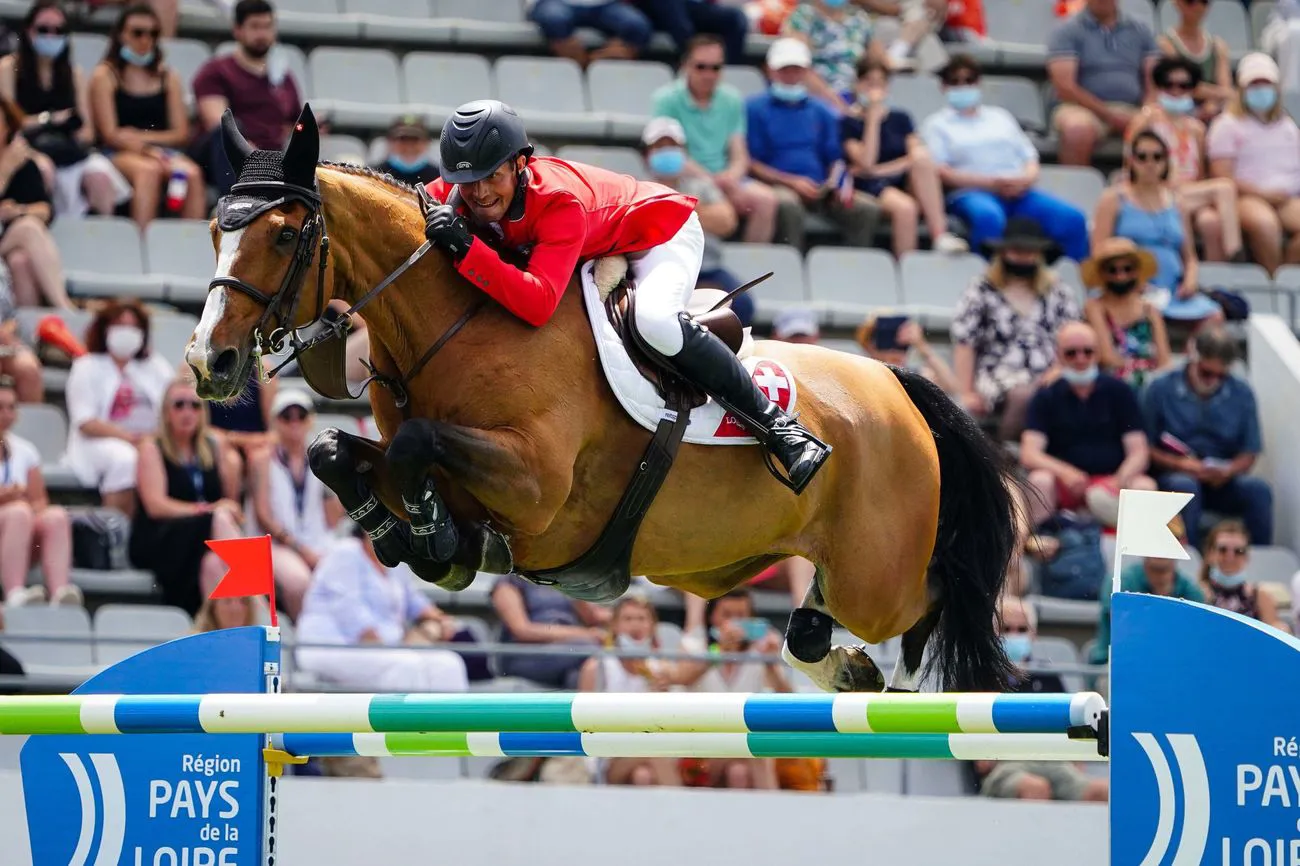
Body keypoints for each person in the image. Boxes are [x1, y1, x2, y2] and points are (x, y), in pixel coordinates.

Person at [421, 99, 831, 495]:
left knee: (654, 322)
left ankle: (780, 429)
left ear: (520, 164)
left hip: (660, 234)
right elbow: (415, 198)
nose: (479, 192)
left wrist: (468, 249)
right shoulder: (460, 190)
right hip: (600, 244)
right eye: (467, 182)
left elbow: (538, 303)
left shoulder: (559, 202)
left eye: (492, 176)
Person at [921, 54, 1089, 262]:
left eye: (969, 80)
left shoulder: (1000, 117)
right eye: (955, 81)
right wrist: (992, 183)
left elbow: (1029, 157)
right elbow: (941, 171)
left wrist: (1025, 179)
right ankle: (985, 287)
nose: (963, 86)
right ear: (943, 87)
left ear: (978, 83)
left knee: (1072, 220)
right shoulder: (936, 124)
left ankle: (1077, 285)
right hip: (970, 193)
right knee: (989, 218)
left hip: (1018, 192)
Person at [295, 523, 471, 693]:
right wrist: (395, 647)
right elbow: (352, 616)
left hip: (385, 649)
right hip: (332, 647)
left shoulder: (393, 559)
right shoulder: (344, 552)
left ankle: (449, 724)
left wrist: (441, 620)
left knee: (449, 664)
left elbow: (415, 602)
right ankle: (405, 724)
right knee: (407, 666)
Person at [951, 217, 1081, 442]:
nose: (1023, 257)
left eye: (1029, 251)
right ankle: (1004, 454)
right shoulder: (981, 290)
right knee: (1024, 395)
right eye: (1017, 251)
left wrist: (1059, 368)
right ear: (1003, 253)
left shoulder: (1058, 291)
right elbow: (966, 342)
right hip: (998, 371)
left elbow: (1074, 336)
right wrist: (967, 391)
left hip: (1052, 369)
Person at [746, 38, 882, 251]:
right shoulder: (754, 109)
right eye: (785, 70)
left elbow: (834, 157)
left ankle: (851, 269)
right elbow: (751, 162)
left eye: (796, 70)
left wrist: (834, 183)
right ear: (771, 71)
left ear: (806, 72)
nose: (791, 76)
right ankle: (791, 267)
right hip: (776, 185)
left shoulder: (821, 110)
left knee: (866, 209)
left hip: (820, 188)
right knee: (787, 205)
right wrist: (791, 182)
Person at [0, 0, 132, 219]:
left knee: (100, 177)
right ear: (28, 30)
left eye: (58, 31)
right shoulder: (7, 68)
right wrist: (50, 120)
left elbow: (88, 131)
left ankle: (99, 235)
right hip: (24, 147)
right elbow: (10, 122)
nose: (51, 36)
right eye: (43, 30)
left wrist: (69, 132)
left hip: (67, 149)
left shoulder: (74, 74)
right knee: (43, 170)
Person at [1143, 327, 1272, 549]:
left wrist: (1228, 470)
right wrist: (1181, 464)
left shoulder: (1241, 393)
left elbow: (1250, 451)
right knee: (1185, 486)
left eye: (1221, 375)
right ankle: (1188, 563)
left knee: (1258, 491)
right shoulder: (1160, 389)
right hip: (1174, 473)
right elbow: (1145, 445)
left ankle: (1256, 564)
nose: (1213, 380)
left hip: (1221, 479)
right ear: (1193, 358)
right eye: (1206, 372)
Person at [1020, 322, 1155, 529]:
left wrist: (1118, 480)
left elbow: (1138, 452)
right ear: (1059, 355)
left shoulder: (1120, 391)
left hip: (1112, 481)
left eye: (1087, 351)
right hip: (1065, 484)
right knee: (1040, 480)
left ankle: (1141, 556)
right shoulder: (1046, 395)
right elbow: (1029, 453)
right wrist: (1065, 472)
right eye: (1071, 353)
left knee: (1144, 486)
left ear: (1098, 354)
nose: (1080, 359)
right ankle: (1044, 546)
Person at [650, 34, 782, 245]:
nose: (709, 74)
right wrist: (716, 182)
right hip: (685, 177)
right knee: (715, 211)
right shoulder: (666, 99)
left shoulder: (731, 98)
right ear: (685, 66)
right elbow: (668, 151)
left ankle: (750, 268)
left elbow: (739, 151)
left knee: (767, 201)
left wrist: (731, 178)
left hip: (722, 177)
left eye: (716, 68)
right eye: (701, 67)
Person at [974, 595, 1108, 800]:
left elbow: (1071, 721)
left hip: (1054, 761)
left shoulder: (1047, 676)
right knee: (1035, 789)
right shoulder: (982, 677)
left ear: (1033, 635)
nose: (1014, 636)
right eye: (1006, 629)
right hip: (1008, 765)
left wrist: (1077, 755)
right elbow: (976, 747)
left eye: (1021, 630)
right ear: (994, 633)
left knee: (1103, 792)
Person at [130, 376, 244, 616]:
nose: (187, 412)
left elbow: (231, 503)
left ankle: (218, 631)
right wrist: (207, 511)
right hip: (161, 538)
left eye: (194, 405)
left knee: (213, 564)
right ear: (166, 412)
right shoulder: (152, 447)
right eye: (179, 405)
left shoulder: (211, 449)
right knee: (218, 518)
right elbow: (155, 506)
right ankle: (256, 599)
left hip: (200, 542)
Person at [88, 3, 206, 227]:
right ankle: (142, 248)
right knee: (148, 172)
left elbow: (181, 133)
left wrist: (141, 139)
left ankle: (192, 248)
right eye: (137, 33)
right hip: (117, 152)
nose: (145, 40)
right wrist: (143, 148)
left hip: (161, 151)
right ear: (121, 35)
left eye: (153, 34)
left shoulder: (167, 76)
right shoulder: (105, 75)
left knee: (192, 174)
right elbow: (110, 134)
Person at [1091, 131, 1222, 325]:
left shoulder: (1177, 202)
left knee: (1214, 315)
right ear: (1131, 161)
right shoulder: (1113, 199)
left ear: (1166, 162)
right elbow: (1098, 251)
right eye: (1142, 157)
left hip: (1172, 290)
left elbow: (1189, 256)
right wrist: (1131, 282)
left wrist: (1190, 280)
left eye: (1157, 157)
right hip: (1126, 287)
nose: (1150, 163)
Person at [840, 55, 966, 257]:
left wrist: (878, 171)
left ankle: (940, 235)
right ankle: (906, 268)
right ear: (858, 84)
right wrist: (872, 120)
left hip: (899, 177)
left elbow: (914, 156)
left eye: (880, 84)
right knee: (906, 208)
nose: (874, 90)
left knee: (923, 159)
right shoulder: (848, 123)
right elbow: (865, 161)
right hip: (869, 186)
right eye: (869, 83)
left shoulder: (901, 118)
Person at [1124, 57, 1242, 265]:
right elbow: (1130, 164)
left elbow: (1201, 173)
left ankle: (1219, 277)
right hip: (1157, 188)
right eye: (1169, 85)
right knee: (1224, 187)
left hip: (1191, 191)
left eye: (1184, 85)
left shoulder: (1196, 128)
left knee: (1211, 222)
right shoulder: (1144, 120)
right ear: (1159, 87)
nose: (1176, 91)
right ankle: (1234, 252)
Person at [63, 298, 175, 516]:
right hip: (99, 442)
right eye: (120, 325)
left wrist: (152, 439)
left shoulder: (155, 366)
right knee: (125, 459)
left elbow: (172, 404)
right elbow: (85, 421)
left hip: (151, 440)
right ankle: (117, 533)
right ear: (105, 329)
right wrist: (129, 437)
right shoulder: (86, 366)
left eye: (134, 327)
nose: (127, 332)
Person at [192, 0, 303, 197]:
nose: (262, 34)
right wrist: (250, 152)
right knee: (228, 132)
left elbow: (291, 123)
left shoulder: (283, 78)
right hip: (226, 158)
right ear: (237, 30)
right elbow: (218, 123)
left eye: (267, 26)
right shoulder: (217, 71)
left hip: (270, 158)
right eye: (254, 27)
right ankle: (237, 201)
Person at [248, 388, 342, 620]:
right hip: (274, 544)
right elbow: (263, 516)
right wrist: (301, 550)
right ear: (274, 422)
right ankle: (306, 640)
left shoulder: (321, 459)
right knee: (300, 583)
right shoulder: (261, 459)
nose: (294, 422)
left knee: (345, 575)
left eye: (300, 415)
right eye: (286, 416)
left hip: (317, 540)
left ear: (310, 420)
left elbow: (333, 519)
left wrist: (332, 478)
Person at [1207, 53, 1300, 276]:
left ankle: (1286, 277)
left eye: (1266, 84)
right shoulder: (1226, 125)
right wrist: (1262, 194)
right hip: (1245, 196)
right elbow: (1222, 176)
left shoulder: (1287, 125)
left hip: (1287, 197)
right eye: (1254, 84)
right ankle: (1271, 282)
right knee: (1265, 225)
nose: (1261, 89)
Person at [576, 593, 682, 787]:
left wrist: (663, 699)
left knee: (643, 776)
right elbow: (584, 724)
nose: (635, 625)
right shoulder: (596, 667)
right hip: (608, 756)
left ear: (652, 626)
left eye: (641, 619)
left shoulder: (661, 670)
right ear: (615, 626)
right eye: (628, 619)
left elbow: (671, 727)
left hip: (647, 755)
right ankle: (682, 809)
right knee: (653, 752)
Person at [1047, 0, 1160, 168]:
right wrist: (1109, 116)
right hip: (1080, 107)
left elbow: (1155, 81)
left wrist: (1146, 112)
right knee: (1077, 130)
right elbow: (1065, 87)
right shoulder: (1067, 30)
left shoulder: (1141, 30)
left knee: (1166, 127)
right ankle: (1076, 191)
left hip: (1132, 108)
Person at [0, 376, 75, 608]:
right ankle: (14, 592)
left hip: (17, 526)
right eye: (0, 407)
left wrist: (24, 504)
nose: (6, 413)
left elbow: (39, 500)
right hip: (11, 519)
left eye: (11, 407)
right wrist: (8, 498)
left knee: (55, 516)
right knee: (18, 512)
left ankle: (59, 593)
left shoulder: (26, 450)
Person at [0, 96, 70, 311]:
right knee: (29, 230)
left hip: (7, 237)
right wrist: (5, 171)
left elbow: (45, 209)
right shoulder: (11, 163)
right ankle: (64, 307)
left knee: (21, 261)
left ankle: (30, 328)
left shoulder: (23, 162)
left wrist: (19, 211)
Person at [490, 572, 610, 689]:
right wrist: (585, 634)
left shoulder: (563, 579)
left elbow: (593, 616)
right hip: (524, 656)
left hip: (568, 651)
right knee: (587, 648)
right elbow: (522, 630)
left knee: (578, 674)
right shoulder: (508, 584)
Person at [1081, 238, 1171, 390]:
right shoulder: (1095, 307)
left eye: (1127, 269)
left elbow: (1164, 359)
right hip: (1111, 382)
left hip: (1151, 383)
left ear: (1136, 271)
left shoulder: (1150, 310)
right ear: (1102, 273)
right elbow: (1106, 357)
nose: (1120, 276)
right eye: (1112, 270)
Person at [1092, 551, 1201, 663]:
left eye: (1167, 540)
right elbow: (1127, 633)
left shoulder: (1192, 590)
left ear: (1181, 545)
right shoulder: (1119, 582)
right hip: (1114, 665)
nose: (1160, 548)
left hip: (1173, 666)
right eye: (1155, 540)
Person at [781, 0, 886, 113]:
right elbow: (799, 66)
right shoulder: (803, 17)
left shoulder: (860, 19)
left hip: (855, 97)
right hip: (815, 98)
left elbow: (877, 63)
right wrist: (838, 105)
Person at [1157, 0, 1231, 123]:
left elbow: (1226, 89)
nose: (1197, 6)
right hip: (1179, 114)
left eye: (1204, 1)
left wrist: (1212, 105)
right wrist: (1215, 95)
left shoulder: (1218, 46)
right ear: (1177, 4)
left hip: (1214, 114)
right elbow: (1182, 85)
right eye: (1190, 1)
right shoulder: (1166, 44)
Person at [854, 312, 960, 395]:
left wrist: (922, 346)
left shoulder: (915, 376)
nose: (894, 349)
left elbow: (951, 386)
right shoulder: (861, 375)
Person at [373, 115, 438, 187]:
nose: (409, 146)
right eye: (403, 139)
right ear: (390, 142)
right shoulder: (375, 175)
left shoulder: (438, 178)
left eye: (415, 139)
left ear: (426, 143)